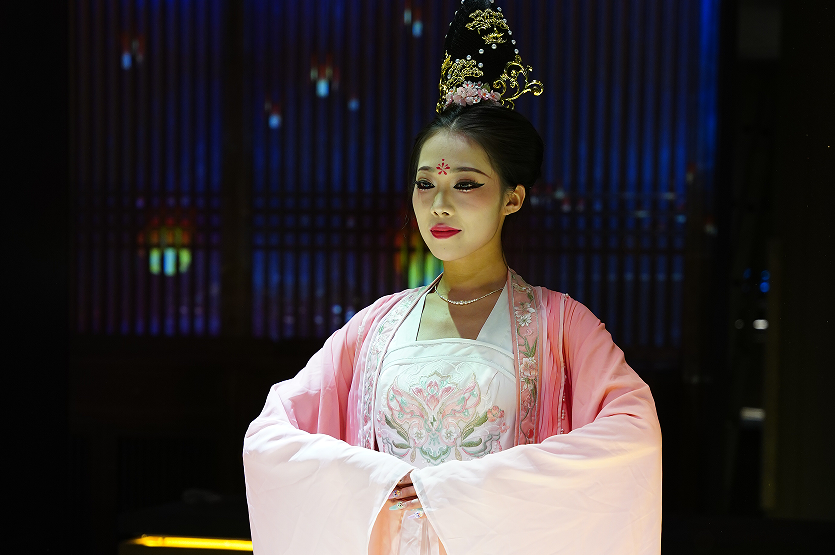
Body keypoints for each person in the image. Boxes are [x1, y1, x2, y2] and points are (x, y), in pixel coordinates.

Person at [243, 1, 662, 554]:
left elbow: (631, 434)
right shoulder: (374, 328)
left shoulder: (561, 327)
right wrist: (373, 479)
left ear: (513, 198)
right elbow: (271, 436)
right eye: (425, 184)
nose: (439, 204)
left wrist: (462, 488)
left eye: (466, 184)